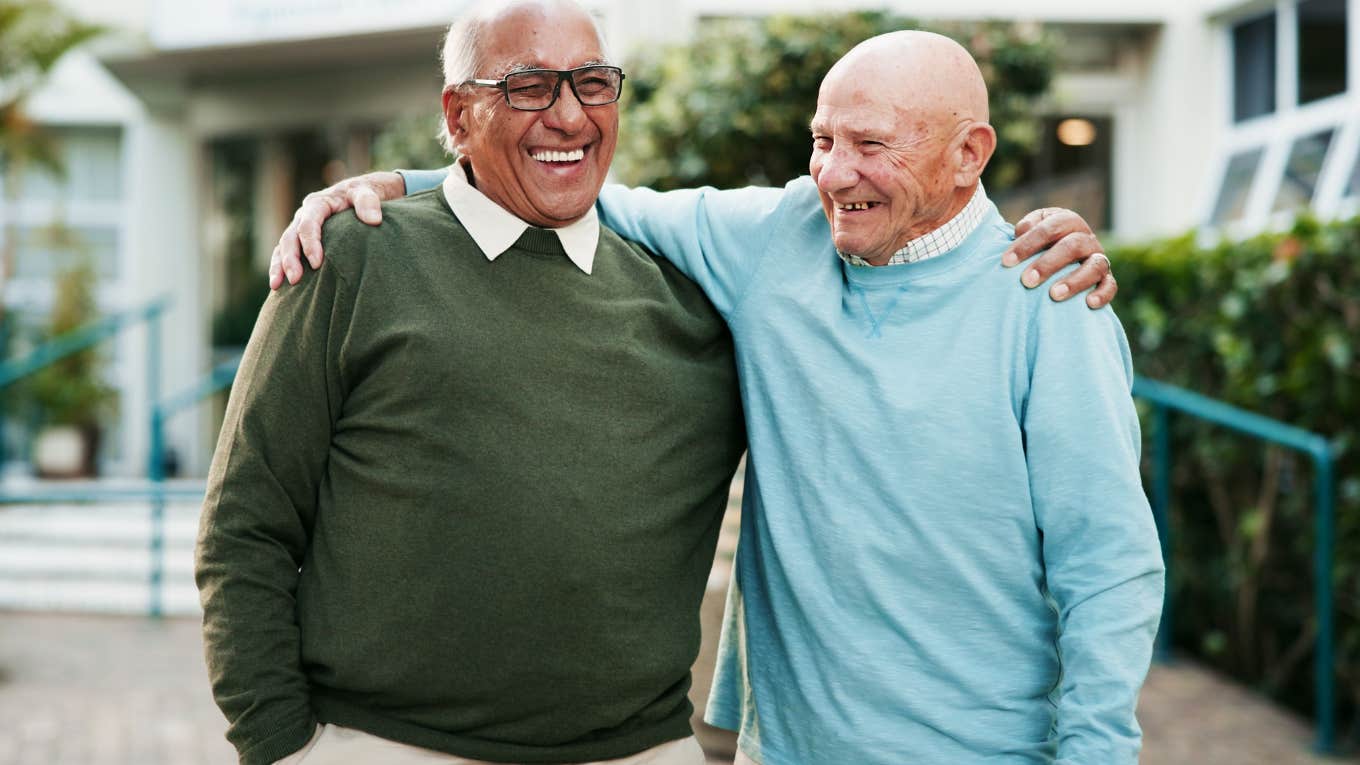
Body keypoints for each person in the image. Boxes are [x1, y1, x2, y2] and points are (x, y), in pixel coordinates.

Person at [259, 5, 1155, 765]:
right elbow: (573, 185)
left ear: (970, 154)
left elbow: (1109, 570)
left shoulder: (1051, 303)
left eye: (871, 146)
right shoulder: (777, 238)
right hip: (788, 750)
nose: (835, 175)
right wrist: (403, 184)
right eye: (823, 140)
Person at [196, 3, 745, 765]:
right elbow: (243, 522)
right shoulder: (353, 258)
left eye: (592, 84)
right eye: (528, 87)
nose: (568, 115)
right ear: (458, 115)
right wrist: (280, 745)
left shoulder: (696, 300)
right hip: (384, 744)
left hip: (642, 749)